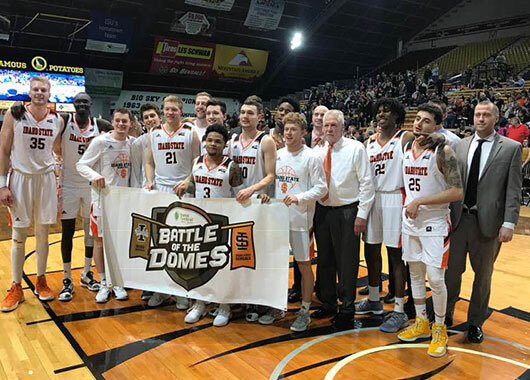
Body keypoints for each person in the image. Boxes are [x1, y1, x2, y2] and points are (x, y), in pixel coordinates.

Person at [445, 101, 522, 343]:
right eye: (478, 114)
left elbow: (513, 189)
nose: (480, 119)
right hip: (458, 219)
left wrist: (509, 222)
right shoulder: (459, 145)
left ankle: (475, 322)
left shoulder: (511, 148)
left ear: (496, 118)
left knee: (483, 277)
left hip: (488, 223)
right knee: (451, 273)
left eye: (486, 115)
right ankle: (444, 316)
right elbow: (451, 184)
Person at [397, 104, 463, 358]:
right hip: (410, 221)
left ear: (436, 125)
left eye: (425, 121)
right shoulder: (407, 146)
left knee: (435, 279)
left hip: (435, 223)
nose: (418, 124)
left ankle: (440, 327)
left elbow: (457, 192)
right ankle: (421, 322)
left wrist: (420, 201)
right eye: (417, 119)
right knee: (415, 273)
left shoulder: (443, 150)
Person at [0, 76, 64, 312]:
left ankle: (41, 280)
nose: (39, 93)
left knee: (43, 233)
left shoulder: (57, 119)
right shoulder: (15, 114)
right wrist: (1, 185)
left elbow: (59, 150)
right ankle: (16, 286)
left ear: (49, 93)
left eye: (43, 90)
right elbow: (4, 150)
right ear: (29, 91)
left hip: (46, 179)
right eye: (35, 89)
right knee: (19, 233)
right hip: (20, 178)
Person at [260, 112, 326, 331]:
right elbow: (272, 182)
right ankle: (277, 307)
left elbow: (321, 188)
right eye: (286, 129)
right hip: (279, 218)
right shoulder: (278, 154)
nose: (288, 133)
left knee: (304, 265)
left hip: (301, 219)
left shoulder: (312, 157)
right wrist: (268, 195)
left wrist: (299, 197)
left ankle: (305, 310)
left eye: (293, 130)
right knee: (276, 265)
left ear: (303, 132)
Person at [311, 110, 375, 329]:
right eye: (326, 125)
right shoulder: (319, 150)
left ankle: (347, 309)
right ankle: (328, 303)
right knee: (325, 260)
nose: (329, 129)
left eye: (333, 126)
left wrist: (362, 214)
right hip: (323, 210)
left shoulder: (356, 148)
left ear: (342, 126)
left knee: (346, 262)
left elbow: (367, 183)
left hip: (348, 211)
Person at [175, 124, 243, 326]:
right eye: (210, 140)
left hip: (222, 222)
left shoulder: (232, 166)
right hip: (199, 220)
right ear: (205, 141)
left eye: (218, 141)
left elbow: (241, 194)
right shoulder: (197, 161)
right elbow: (194, 184)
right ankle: (199, 303)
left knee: (221, 266)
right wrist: (186, 185)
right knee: (198, 266)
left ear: (225, 144)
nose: (213, 144)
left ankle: (224, 306)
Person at [358, 98, 416, 333]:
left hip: (395, 197)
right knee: (370, 248)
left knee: (395, 254)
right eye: (379, 112)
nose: (381, 115)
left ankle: (400, 311)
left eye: (387, 111)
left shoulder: (405, 138)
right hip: (373, 198)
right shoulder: (369, 143)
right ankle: (374, 298)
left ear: (397, 116)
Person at [144, 95, 200, 309]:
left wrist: (188, 180)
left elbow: (197, 162)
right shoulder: (154, 133)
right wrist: (150, 182)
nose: (170, 113)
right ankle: (161, 290)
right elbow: (149, 161)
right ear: (163, 111)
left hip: (183, 191)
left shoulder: (190, 133)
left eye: (174, 109)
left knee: (182, 244)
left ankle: (180, 291)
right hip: (161, 190)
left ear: (180, 110)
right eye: (167, 109)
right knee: (161, 243)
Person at [76, 108, 136, 303]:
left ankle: (117, 281)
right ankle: (103, 282)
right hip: (102, 200)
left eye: (124, 121)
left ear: (130, 123)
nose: (121, 124)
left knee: (119, 243)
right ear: (112, 121)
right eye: (117, 120)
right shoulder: (100, 142)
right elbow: (81, 165)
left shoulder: (132, 143)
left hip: (123, 202)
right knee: (100, 242)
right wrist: (95, 176)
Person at [54, 93, 107, 301]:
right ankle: (67, 278)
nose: (82, 105)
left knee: (89, 232)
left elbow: (122, 132)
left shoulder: (99, 123)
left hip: (90, 185)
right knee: (67, 231)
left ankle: (87, 273)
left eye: (85, 102)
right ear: (73, 105)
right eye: (78, 102)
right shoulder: (65, 121)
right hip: (68, 184)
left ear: (91, 104)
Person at [229, 96, 277, 322]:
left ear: (260, 117)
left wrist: (253, 190)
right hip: (236, 203)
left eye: (250, 113)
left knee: (259, 255)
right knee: (239, 254)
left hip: (257, 203)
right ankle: (243, 298)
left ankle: (263, 302)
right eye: (243, 112)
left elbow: (271, 175)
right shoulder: (232, 141)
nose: (245, 116)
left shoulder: (265, 141)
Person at [130, 102, 162, 301]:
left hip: (166, 191)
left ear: (160, 117)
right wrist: (136, 193)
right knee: (148, 240)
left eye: (153, 116)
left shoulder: (170, 136)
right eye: (147, 117)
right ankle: (148, 283)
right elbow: (135, 170)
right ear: (142, 121)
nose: (150, 120)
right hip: (146, 191)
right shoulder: (138, 142)